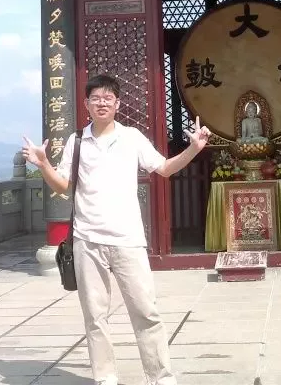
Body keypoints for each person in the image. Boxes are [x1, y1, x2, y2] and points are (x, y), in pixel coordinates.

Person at [22, 73, 211, 385]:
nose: (102, 103)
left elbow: (164, 168)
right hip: (87, 240)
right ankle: (105, 376)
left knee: (145, 311)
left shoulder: (132, 137)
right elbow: (64, 186)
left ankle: (160, 375)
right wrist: (43, 164)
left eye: (108, 98)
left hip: (128, 239)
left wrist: (193, 149)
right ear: (86, 104)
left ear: (118, 104)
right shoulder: (76, 141)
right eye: (95, 98)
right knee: (95, 316)